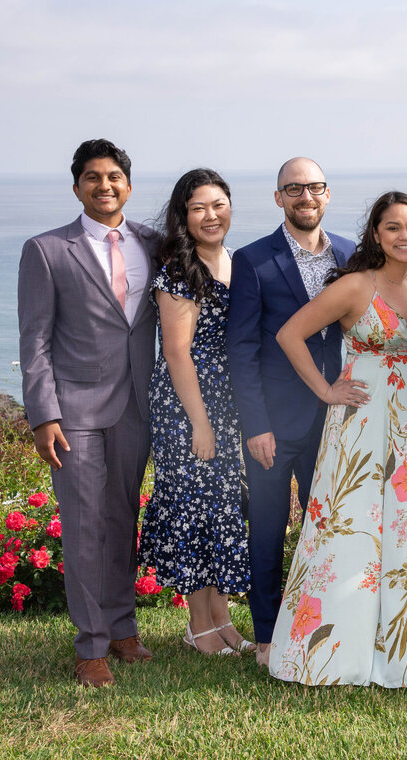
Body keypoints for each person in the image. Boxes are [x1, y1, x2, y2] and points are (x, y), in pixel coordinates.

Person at [267, 191, 407, 687]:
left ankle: (400, 646)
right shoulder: (356, 286)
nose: (405, 236)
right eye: (393, 227)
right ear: (375, 235)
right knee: (352, 527)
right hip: (361, 421)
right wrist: (325, 389)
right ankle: (332, 652)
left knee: (404, 526)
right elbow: (289, 335)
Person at [18, 139, 162, 687]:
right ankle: (91, 646)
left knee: (123, 519)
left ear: (128, 183)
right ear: (77, 186)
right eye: (93, 178)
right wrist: (42, 415)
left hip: (137, 406)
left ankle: (124, 629)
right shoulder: (48, 249)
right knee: (83, 526)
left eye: (115, 177)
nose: (105, 186)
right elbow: (34, 340)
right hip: (73, 410)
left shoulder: (154, 243)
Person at [226, 157, 355, 668]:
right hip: (274, 425)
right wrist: (254, 424)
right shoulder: (254, 260)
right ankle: (266, 635)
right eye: (295, 188)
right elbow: (241, 349)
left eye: (316, 187)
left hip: (337, 418)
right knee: (267, 528)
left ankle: (322, 623)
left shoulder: (350, 254)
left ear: (327, 194)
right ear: (278, 197)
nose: (307, 197)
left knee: (326, 526)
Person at [139, 169, 251, 657]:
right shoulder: (179, 271)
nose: (212, 215)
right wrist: (200, 423)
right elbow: (177, 352)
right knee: (192, 507)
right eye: (200, 207)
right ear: (184, 215)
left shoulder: (236, 262)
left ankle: (222, 617)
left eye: (219, 204)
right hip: (188, 404)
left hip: (228, 400)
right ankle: (198, 622)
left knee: (222, 507)